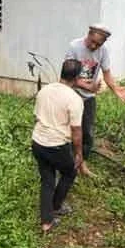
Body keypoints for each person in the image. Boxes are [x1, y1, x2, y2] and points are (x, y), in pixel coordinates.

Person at [64, 24, 125, 175]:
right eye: (92, 41)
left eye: (98, 44)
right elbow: (67, 76)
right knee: (69, 130)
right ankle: (67, 164)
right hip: (71, 94)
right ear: (88, 34)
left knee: (87, 133)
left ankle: (82, 164)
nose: (94, 46)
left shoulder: (103, 51)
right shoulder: (74, 46)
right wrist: (87, 86)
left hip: (89, 98)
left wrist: (115, 88)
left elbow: (107, 73)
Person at [31, 58, 84, 234]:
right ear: (77, 78)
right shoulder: (75, 99)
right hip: (56, 145)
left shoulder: (44, 91)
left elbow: (36, 117)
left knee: (47, 180)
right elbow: (76, 131)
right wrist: (79, 154)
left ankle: (47, 222)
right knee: (70, 172)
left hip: (38, 142)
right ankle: (56, 206)